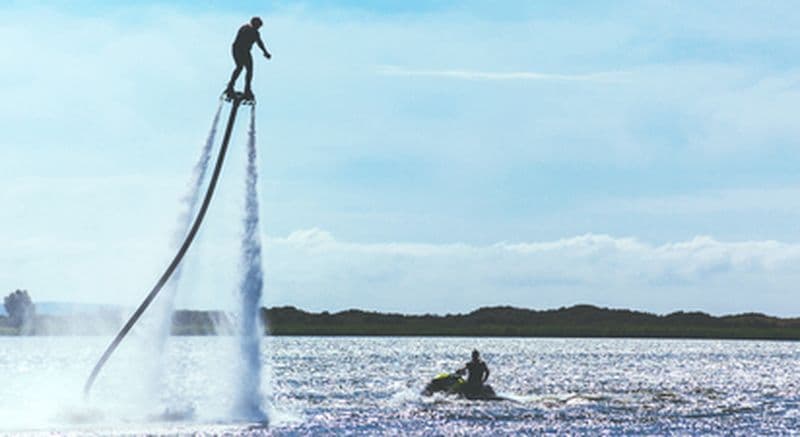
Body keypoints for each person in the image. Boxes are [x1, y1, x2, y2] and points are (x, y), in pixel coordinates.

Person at [225, 16, 272, 100]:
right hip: (238, 50)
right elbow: (241, 41)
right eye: (258, 26)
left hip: (246, 51)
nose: (258, 28)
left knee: (249, 70)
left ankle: (247, 89)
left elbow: (259, 42)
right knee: (240, 67)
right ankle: (231, 86)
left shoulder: (256, 33)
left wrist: (265, 52)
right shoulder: (245, 29)